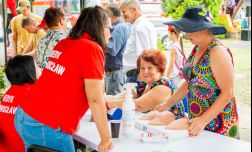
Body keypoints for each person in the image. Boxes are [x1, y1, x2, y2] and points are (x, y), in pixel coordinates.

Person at [14, 6, 113, 152]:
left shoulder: (65, 43)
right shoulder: (91, 48)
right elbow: (95, 99)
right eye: (109, 28)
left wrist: (72, 119)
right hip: (45, 123)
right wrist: (106, 139)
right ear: (100, 27)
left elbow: (62, 82)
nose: (110, 34)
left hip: (25, 115)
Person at [155, 6, 239, 139]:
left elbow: (228, 92)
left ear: (205, 28)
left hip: (218, 124)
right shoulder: (197, 49)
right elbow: (189, 82)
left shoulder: (217, 51)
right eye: (185, 29)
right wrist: (167, 104)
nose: (187, 35)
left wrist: (203, 120)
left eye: (191, 30)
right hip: (198, 124)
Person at [106, 50, 185, 126]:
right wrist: (98, 100)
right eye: (142, 68)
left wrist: (107, 105)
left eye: (150, 68)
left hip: (172, 131)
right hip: (151, 128)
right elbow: (116, 98)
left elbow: (138, 105)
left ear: (159, 69)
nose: (145, 71)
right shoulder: (144, 85)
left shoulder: (163, 87)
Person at [0, 55, 37, 152]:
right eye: (37, 65)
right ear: (29, 70)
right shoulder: (33, 93)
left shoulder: (9, 93)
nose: (40, 68)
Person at [120, 0, 157, 83]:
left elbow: (144, 53)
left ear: (133, 10)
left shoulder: (140, 27)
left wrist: (142, 74)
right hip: (136, 73)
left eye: (124, 11)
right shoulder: (141, 25)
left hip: (137, 75)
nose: (122, 15)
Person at [105, 4, 131, 95]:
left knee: (114, 103)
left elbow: (112, 49)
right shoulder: (119, 27)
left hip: (115, 72)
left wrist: (102, 38)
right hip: (114, 72)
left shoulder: (119, 27)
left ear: (109, 16)